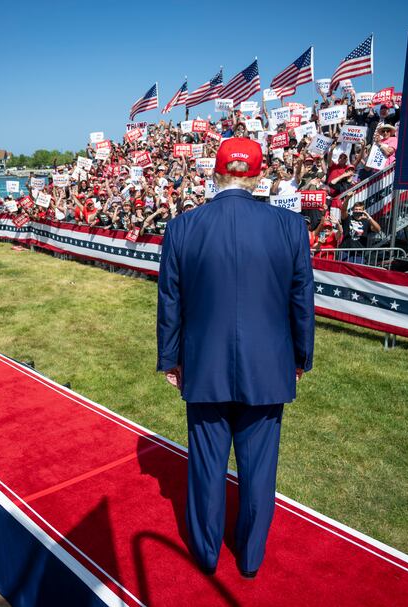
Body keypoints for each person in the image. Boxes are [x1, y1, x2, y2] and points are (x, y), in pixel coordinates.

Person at [157, 138, 315, 579]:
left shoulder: (184, 226)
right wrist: (301, 357)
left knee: (207, 464)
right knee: (259, 469)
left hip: (203, 363)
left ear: (215, 175)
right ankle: (249, 557)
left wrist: (170, 358)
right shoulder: (288, 226)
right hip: (268, 365)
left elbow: (170, 301)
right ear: (259, 177)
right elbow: (301, 300)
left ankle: (207, 555)